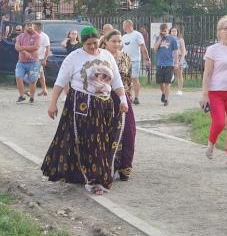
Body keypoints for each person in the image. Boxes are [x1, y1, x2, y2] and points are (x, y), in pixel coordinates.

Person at [41, 26, 128, 195]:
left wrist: (123, 99)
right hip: (82, 106)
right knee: (91, 142)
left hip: (105, 106)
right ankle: (94, 180)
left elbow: (116, 80)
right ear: (83, 43)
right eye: (89, 44)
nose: (93, 47)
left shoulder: (106, 55)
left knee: (104, 140)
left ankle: (94, 173)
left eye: (95, 43)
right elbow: (60, 82)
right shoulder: (74, 58)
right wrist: (53, 104)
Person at [200, 15, 227, 170]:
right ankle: (211, 144)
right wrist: (204, 94)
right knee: (219, 123)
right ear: (219, 31)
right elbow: (207, 73)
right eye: (226, 28)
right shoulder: (213, 50)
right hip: (216, 93)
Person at [102, 29, 136, 181]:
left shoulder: (126, 57)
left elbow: (128, 79)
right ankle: (105, 166)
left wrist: (128, 96)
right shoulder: (101, 57)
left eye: (119, 41)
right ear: (106, 42)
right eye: (113, 41)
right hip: (104, 98)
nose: (116, 44)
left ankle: (125, 167)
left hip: (123, 98)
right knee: (107, 132)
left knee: (129, 130)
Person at [121, 20, 151, 105]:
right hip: (125, 60)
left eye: (124, 25)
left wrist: (147, 59)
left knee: (134, 78)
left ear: (128, 25)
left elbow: (143, 47)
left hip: (135, 60)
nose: (123, 27)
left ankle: (137, 97)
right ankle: (129, 96)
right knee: (126, 80)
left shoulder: (137, 35)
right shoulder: (123, 37)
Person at [15, 21, 41, 103]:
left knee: (32, 81)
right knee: (18, 77)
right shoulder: (20, 36)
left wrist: (23, 48)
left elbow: (36, 47)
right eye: (27, 25)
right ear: (24, 27)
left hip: (33, 62)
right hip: (21, 62)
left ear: (34, 26)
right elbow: (17, 47)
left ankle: (32, 97)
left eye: (31, 25)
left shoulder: (37, 36)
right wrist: (25, 51)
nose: (29, 27)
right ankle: (21, 95)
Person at [153, 23, 178, 106]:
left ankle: (166, 99)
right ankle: (163, 93)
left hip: (169, 64)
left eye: (165, 31)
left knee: (167, 83)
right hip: (160, 63)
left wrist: (176, 63)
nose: (163, 32)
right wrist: (160, 38)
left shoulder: (172, 39)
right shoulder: (158, 38)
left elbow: (175, 52)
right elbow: (155, 49)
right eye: (162, 31)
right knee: (160, 82)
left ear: (168, 30)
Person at [169, 26, 187, 95]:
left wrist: (181, 60)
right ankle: (168, 89)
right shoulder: (168, 39)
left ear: (177, 32)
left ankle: (180, 90)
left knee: (179, 74)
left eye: (175, 31)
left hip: (179, 58)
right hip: (170, 58)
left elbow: (183, 51)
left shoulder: (180, 40)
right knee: (169, 74)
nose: (174, 32)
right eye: (172, 31)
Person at [35, 22, 50, 96]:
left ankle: (31, 90)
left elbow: (48, 48)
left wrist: (45, 59)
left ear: (38, 27)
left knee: (35, 74)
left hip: (40, 58)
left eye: (34, 26)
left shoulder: (44, 36)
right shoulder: (33, 35)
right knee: (41, 75)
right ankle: (44, 90)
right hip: (34, 58)